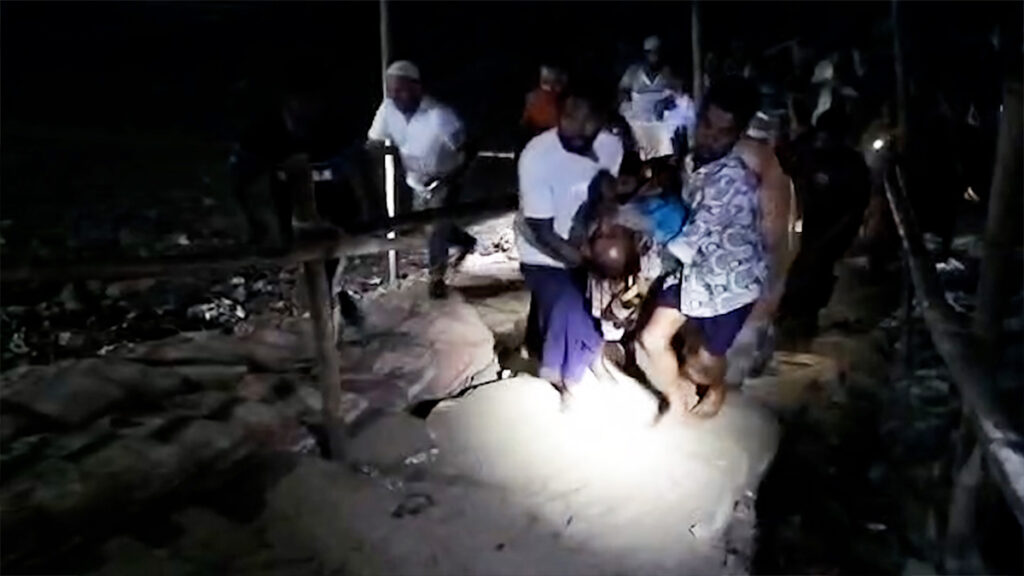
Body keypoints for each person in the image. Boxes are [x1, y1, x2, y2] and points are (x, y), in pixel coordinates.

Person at [636, 76, 764, 419]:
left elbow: (688, 241)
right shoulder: (694, 159)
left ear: (738, 134)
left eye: (723, 132)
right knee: (651, 339)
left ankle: (715, 387)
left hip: (729, 282)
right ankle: (677, 403)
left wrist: (635, 220)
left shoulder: (732, 180)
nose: (711, 136)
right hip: (694, 273)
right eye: (707, 124)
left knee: (702, 363)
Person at [515, 91, 624, 408]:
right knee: (570, 304)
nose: (575, 126)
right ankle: (568, 379)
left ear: (601, 121)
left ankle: (592, 358)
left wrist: (604, 233)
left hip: (588, 243)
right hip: (541, 250)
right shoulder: (537, 156)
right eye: (569, 116)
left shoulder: (611, 146)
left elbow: (607, 197)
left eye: (587, 119)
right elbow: (541, 231)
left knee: (604, 301)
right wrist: (587, 262)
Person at [366, 60, 477, 299]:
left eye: (401, 90)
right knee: (433, 226)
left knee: (436, 227)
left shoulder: (440, 115)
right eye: (392, 90)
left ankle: (436, 277)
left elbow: (467, 148)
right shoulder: (388, 109)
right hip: (416, 180)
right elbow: (373, 143)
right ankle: (465, 240)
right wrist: (389, 154)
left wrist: (454, 176)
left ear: (417, 87)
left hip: (444, 178)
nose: (396, 96)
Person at [777, 107, 870, 341]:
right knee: (791, 268)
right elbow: (786, 169)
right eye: (821, 136)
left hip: (831, 229)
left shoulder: (852, 165)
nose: (822, 141)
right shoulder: (807, 149)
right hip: (801, 222)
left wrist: (832, 240)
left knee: (816, 273)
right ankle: (786, 313)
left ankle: (804, 323)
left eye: (829, 137)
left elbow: (855, 208)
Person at [727, 111, 797, 385]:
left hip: (756, 264)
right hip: (758, 265)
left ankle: (734, 379)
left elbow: (777, 230)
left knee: (746, 330)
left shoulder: (770, 176)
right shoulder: (777, 175)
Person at [521, 64, 567, 143]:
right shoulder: (532, 97)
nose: (551, 88)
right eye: (546, 82)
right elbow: (525, 122)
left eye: (556, 83)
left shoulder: (566, 102)